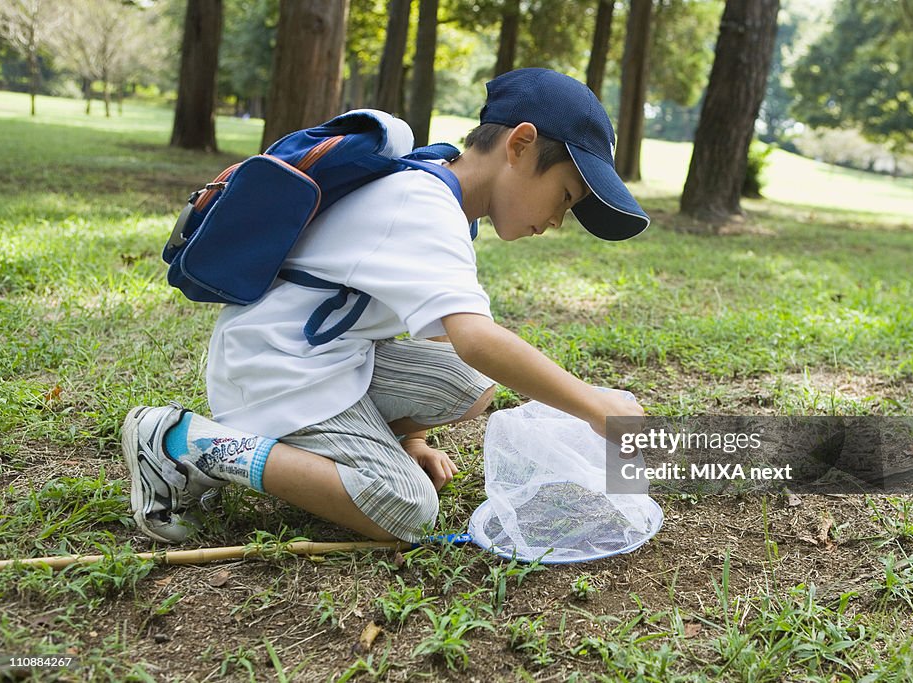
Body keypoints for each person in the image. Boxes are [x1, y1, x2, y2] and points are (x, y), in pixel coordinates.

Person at [123, 68, 650, 545]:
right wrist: (593, 405)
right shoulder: (421, 206)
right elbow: (477, 339)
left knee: (472, 382)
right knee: (407, 509)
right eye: (564, 197)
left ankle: (363, 444)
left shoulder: (440, 191)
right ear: (521, 144)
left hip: (325, 357)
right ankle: (184, 441)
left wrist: (412, 439)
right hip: (279, 372)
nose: (557, 220)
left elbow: (435, 337)